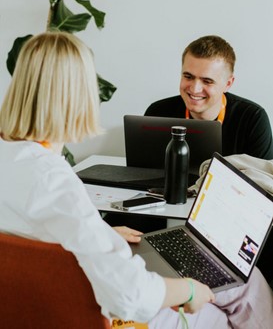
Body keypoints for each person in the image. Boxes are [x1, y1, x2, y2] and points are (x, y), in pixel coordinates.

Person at [0, 31, 272, 328]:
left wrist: (100, 236)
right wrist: (191, 289)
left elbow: (40, 235)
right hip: (101, 313)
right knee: (232, 294)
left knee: (241, 282)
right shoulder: (54, 181)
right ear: (78, 96)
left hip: (33, 306)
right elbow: (131, 294)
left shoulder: (14, 161)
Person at [145, 35, 273, 160]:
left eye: (207, 81)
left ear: (228, 84)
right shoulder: (157, 112)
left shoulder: (252, 118)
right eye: (188, 77)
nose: (195, 89)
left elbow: (263, 179)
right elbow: (140, 174)